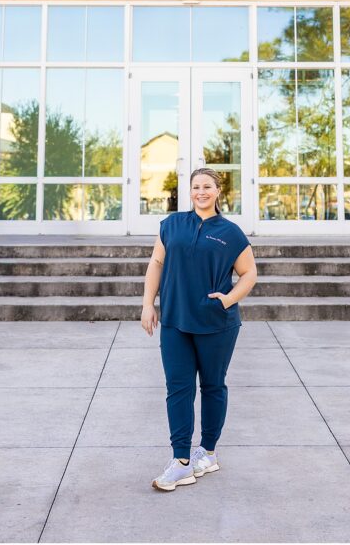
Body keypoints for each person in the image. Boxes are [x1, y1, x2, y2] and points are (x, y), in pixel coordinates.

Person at [141, 167, 257, 492]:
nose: (200, 192)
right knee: (178, 388)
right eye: (195, 187)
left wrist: (227, 300)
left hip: (216, 323)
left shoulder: (231, 232)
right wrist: (148, 304)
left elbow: (249, 273)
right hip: (175, 320)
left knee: (212, 385)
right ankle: (180, 461)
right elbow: (157, 263)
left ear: (218, 191)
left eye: (207, 186)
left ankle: (207, 452)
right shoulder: (172, 225)